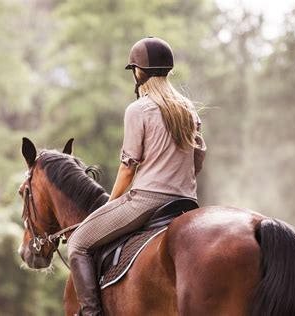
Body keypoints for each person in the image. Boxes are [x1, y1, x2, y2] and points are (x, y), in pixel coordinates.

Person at [67, 36, 207, 316]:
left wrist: (110, 204)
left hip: (146, 201)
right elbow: (198, 160)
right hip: (186, 202)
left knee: (77, 243)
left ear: (138, 71)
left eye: (134, 70)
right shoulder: (188, 110)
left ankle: (91, 313)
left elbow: (128, 167)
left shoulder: (138, 109)